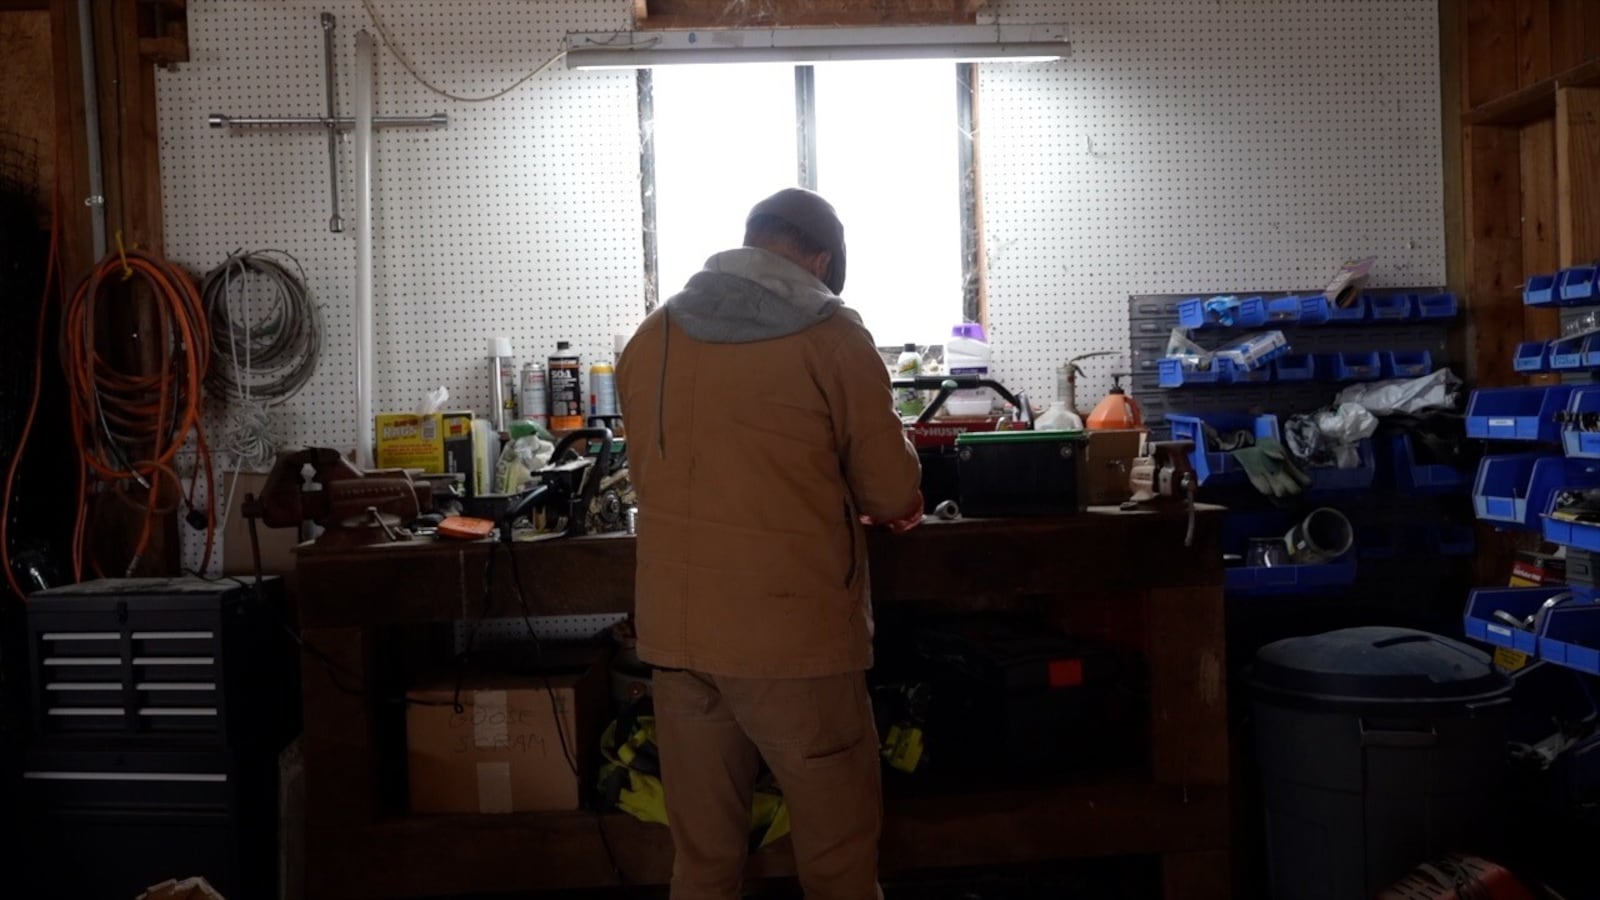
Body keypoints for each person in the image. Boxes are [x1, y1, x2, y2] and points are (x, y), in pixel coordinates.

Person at [616, 187, 924, 900]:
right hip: (794, 645)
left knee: (702, 863)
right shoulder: (832, 336)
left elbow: (649, 475)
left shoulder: (652, 335)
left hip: (678, 641)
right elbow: (889, 492)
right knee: (839, 861)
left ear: (753, 241)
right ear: (819, 259)